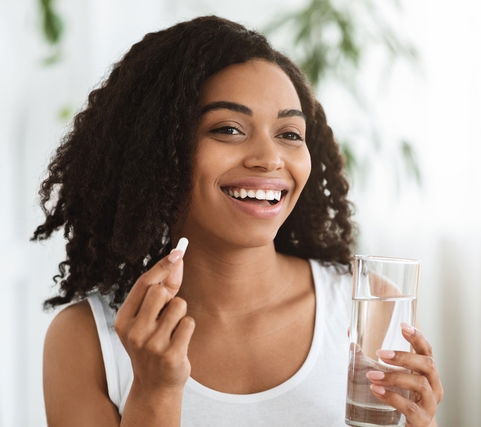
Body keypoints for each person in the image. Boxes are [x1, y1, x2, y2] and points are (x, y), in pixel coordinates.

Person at [32, 15, 443, 427]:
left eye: (289, 134)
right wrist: (155, 391)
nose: (269, 158)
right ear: (157, 152)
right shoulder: (87, 340)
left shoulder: (370, 305)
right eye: (228, 129)